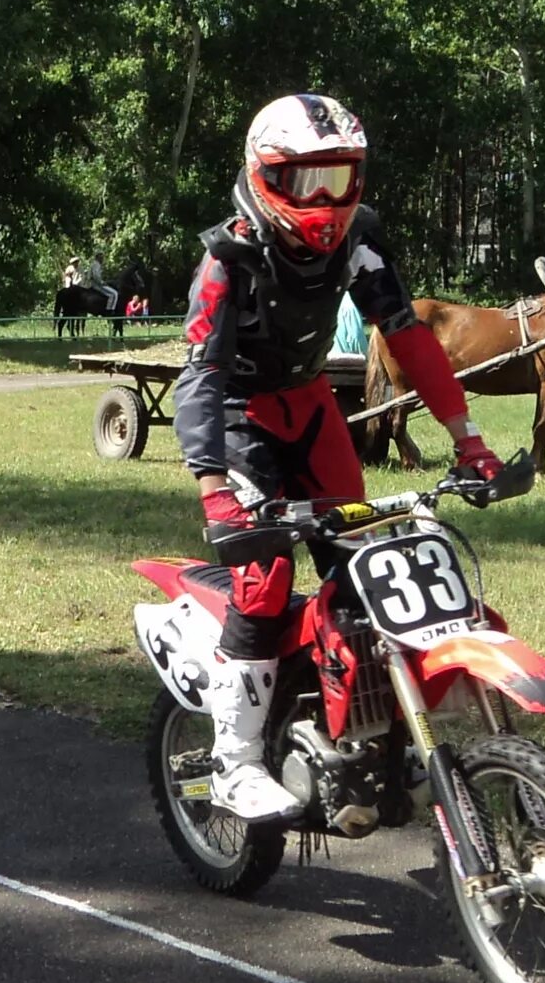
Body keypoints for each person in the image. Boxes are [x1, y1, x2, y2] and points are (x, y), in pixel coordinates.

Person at [177, 95, 504, 822]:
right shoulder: (227, 258)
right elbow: (199, 375)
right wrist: (214, 491)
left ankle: (375, 751)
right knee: (263, 581)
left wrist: (468, 438)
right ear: (267, 177)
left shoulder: (362, 237)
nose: (326, 200)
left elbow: (409, 338)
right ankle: (233, 763)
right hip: (240, 416)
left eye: (341, 178)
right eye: (307, 182)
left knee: (365, 567)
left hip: (313, 406)